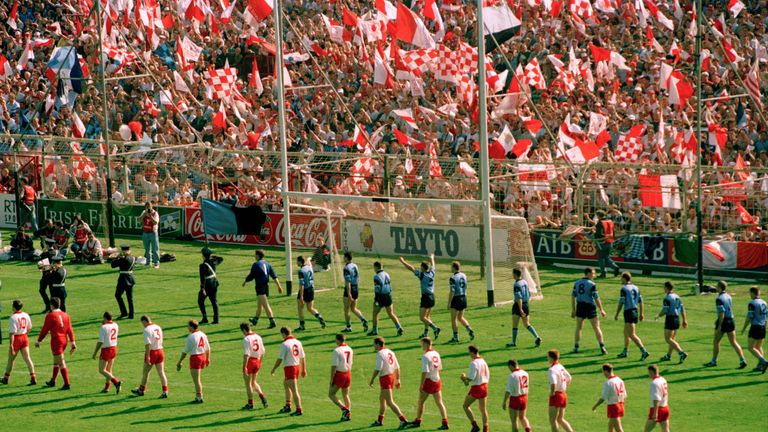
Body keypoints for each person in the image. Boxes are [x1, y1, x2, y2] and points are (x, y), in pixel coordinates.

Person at [35, 297, 76, 390]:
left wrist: (39, 340)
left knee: (61, 362)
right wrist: (73, 342)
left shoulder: (50, 316)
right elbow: (70, 329)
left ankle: (67, 383)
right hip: (64, 340)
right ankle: (53, 380)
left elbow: (45, 329)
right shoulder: (66, 315)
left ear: (51, 305)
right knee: (56, 361)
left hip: (56, 341)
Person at [704, 281, 747, 368]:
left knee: (716, 341)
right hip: (731, 320)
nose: (715, 287)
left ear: (719, 287)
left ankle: (714, 361)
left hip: (724, 321)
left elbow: (721, 312)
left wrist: (720, 325)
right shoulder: (728, 296)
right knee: (734, 342)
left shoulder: (719, 299)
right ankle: (742, 360)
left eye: (716, 286)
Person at [368, 337, 408, 428]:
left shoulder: (380, 354)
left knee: (389, 401)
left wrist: (372, 379)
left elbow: (378, 368)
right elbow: (397, 367)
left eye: (374, 344)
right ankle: (379, 420)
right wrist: (398, 379)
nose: (373, 346)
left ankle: (403, 419)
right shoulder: (390, 352)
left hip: (385, 378)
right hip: (391, 377)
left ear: (378, 344)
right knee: (382, 399)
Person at [410, 337, 449, 430]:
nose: (421, 346)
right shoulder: (436, 353)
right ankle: (445, 422)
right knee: (439, 402)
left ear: (427, 344)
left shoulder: (425, 356)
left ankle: (418, 420)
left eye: (422, 344)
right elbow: (440, 368)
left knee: (420, 401)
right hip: (437, 379)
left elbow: (424, 371)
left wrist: (421, 384)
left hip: (429, 381)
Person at [399, 254, 441, 339]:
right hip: (432, 297)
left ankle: (435, 328)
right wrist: (432, 258)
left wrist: (402, 261)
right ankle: (425, 333)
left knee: (422, 317)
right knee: (427, 317)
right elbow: (433, 265)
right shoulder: (432, 272)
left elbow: (411, 268)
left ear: (423, 268)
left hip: (426, 297)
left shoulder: (422, 275)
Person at [614, 272, 649, 360]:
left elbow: (621, 302)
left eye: (621, 278)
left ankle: (643, 351)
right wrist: (641, 313)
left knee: (632, 334)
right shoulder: (636, 288)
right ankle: (625, 351)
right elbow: (641, 301)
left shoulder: (624, 289)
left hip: (628, 311)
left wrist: (617, 314)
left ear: (625, 279)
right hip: (635, 311)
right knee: (626, 332)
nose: (620, 280)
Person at [243, 250, 283, 328]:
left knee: (265, 305)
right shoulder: (268, 264)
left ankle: (272, 321)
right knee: (260, 304)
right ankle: (255, 319)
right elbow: (274, 276)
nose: (254, 256)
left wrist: (245, 281)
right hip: (265, 286)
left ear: (258, 256)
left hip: (260, 286)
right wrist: (279, 286)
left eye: (255, 255)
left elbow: (251, 275)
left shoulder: (256, 264)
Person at [571, 267, 607, 354]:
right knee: (596, 327)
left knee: (578, 328)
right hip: (590, 307)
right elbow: (596, 298)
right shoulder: (592, 284)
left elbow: (573, 296)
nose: (594, 275)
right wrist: (601, 309)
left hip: (580, 306)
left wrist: (573, 309)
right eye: (593, 273)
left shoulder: (577, 283)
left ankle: (576, 347)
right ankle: (602, 346)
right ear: (588, 274)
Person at [271, 327, 306, 416]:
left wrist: (274, 368)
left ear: (283, 333)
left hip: (290, 368)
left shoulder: (285, 344)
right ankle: (288, 405)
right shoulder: (298, 342)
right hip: (296, 366)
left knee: (294, 390)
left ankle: (299, 409)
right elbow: (303, 357)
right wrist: (304, 369)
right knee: (286, 384)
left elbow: (280, 359)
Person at [131, 315, 169, 398]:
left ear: (144, 321)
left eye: (142, 323)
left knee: (145, 372)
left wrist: (148, 356)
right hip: (160, 350)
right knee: (161, 372)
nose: (143, 325)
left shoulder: (147, 330)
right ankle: (165, 391)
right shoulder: (158, 327)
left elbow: (148, 344)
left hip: (152, 352)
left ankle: (141, 390)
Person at [1, 300, 37, 385]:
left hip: (16, 339)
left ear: (14, 307)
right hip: (24, 337)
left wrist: (11, 345)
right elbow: (29, 327)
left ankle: (6, 378)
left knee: (11, 360)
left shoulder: (13, 317)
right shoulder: (26, 315)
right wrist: (24, 334)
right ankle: (33, 377)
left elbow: (12, 333)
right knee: (28, 358)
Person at [176, 320, 210, 404]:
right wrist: (208, 359)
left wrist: (180, 361)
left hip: (195, 357)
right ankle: (199, 396)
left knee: (196, 380)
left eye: (188, 326)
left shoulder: (191, 337)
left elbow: (185, 351)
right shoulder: (203, 334)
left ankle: (199, 397)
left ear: (191, 327)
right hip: (202, 356)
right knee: (197, 379)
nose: (187, 328)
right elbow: (208, 348)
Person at [507, 268, 542, 348]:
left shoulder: (517, 284)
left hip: (518, 305)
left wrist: (520, 308)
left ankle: (513, 342)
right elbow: (528, 294)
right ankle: (537, 336)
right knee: (527, 324)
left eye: (513, 274)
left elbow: (519, 297)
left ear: (515, 274)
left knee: (515, 325)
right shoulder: (525, 282)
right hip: (526, 304)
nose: (512, 275)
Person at [368, 261, 404, 337]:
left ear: (376, 267)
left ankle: (375, 330)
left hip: (381, 296)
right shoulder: (387, 274)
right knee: (391, 313)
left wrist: (377, 299)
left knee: (375, 313)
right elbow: (390, 286)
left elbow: (377, 288)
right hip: (388, 295)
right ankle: (398, 327)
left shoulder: (376, 276)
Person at [657, 282, 688, 363]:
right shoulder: (677, 296)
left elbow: (665, 310)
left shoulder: (667, 298)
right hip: (677, 319)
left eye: (664, 287)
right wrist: (684, 320)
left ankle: (681, 353)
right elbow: (682, 309)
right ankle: (668, 355)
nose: (663, 289)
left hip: (670, 319)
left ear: (667, 288)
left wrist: (658, 315)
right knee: (672, 339)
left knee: (668, 339)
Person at [460, 344, 489, 432]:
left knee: (465, 406)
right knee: (483, 409)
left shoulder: (474, 363)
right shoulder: (483, 361)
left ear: (472, 352)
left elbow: (471, 378)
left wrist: (464, 378)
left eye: (469, 352)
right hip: (485, 386)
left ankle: (474, 425)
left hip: (477, 387)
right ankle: (486, 429)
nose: (469, 354)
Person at [91, 311, 122, 394]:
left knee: (102, 370)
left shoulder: (103, 327)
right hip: (114, 348)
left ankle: (116, 382)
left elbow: (100, 341)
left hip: (106, 350)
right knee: (109, 369)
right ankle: (107, 388)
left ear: (104, 318)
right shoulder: (116, 325)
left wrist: (95, 353)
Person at [591, 363, 627, 432]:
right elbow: (625, 395)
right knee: (610, 426)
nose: (603, 374)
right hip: (621, 404)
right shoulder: (620, 380)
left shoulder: (608, 383)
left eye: (603, 372)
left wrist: (595, 406)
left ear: (605, 371)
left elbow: (603, 398)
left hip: (613, 406)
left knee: (618, 428)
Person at [240, 322, 268, 410]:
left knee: (248, 384)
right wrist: (260, 362)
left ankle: (250, 403)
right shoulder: (258, 337)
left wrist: (244, 366)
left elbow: (246, 354)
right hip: (257, 360)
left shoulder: (246, 339)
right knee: (253, 382)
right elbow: (263, 351)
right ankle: (262, 396)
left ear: (244, 330)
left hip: (250, 361)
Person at [741, 286, 768, 373]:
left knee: (750, 347)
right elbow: (766, 317)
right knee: (758, 347)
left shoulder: (752, 303)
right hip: (763, 327)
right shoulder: (764, 302)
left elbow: (749, 317)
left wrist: (744, 328)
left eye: (750, 293)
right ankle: (760, 366)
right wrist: (766, 327)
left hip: (755, 327)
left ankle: (763, 361)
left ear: (752, 293)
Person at [295, 256, 326, 331]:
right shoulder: (309, 267)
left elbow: (301, 284)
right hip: (311, 289)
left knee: (300, 308)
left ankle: (302, 326)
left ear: (300, 261)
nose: (296, 263)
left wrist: (301, 296)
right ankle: (319, 317)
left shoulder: (301, 271)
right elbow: (309, 260)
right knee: (310, 308)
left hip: (304, 290)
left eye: (297, 261)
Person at [547, 349, 574, 432]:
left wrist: (552, 393)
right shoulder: (560, 366)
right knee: (560, 419)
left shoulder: (552, 370)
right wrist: (564, 386)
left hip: (556, 395)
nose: (547, 359)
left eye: (548, 357)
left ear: (551, 358)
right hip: (563, 394)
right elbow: (569, 377)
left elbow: (553, 383)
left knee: (553, 420)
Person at [328, 333, 354, 422]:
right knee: (346, 395)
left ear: (338, 340)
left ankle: (344, 409)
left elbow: (334, 366)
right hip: (348, 373)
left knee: (331, 394)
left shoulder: (337, 350)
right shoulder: (350, 349)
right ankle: (348, 414)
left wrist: (331, 378)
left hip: (340, 374)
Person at [448, 261, 474, 344]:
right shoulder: (464, 275)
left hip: (456, 298)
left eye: (451, 267)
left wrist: (449, 302)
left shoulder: (453, 278)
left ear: (454, 268)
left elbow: (452, 291)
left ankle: (455, 337)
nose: (450, 268)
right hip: (464, 297)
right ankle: (469, 329)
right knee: (460, 317)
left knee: (454, 319)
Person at [341, 252, 368, 333]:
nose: (343, 258)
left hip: (350, 288)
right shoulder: (355, 265)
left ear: (346, 258)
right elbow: (358, 277)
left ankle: (348, 327)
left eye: (344, 257)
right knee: (353, 308)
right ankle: (363, 319)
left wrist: (349, 294)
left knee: (346, 309)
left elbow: (347, 282)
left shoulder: (346, 268)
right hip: (356, 287)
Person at [502, 359, 530, 432]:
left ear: (511, 366)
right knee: (523, 417)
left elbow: (508, 391)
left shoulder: (512, 375)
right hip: (524, 397)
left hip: (515, 398)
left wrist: (504, 401)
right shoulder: (525, 373)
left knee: (514, 421)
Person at [199, 247, 223, 324]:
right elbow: (221, 259)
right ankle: (216, 319)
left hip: (207, 284)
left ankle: (205, 317)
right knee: (214, 301)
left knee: (200, 300)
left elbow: (202, 278)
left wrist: (202, 288)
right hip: (214, 283)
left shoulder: (202, 265)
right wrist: (213, 256)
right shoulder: (214, 261)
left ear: (203, 255)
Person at [112, 245, 137, 319]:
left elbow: (113, 265)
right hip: (131, 278)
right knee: (130, 298)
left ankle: (124, 312)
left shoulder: (124, 259)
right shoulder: (133, 257)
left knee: (118, 295)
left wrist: (117, 257)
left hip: (123, 279)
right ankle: (131, 314)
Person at [643, 364, 670, 432]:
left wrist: (655, 413)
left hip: (658, 409)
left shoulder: (654, 383)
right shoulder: (663, 379)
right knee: (665, 430)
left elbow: (656, 399)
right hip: (665, 407)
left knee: (646, 430)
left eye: (649, 373)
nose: (648, 375)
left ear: (651, 372)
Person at [594, 210, 620, 278]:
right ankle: (615, 267)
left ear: (599, 216)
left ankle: (603, 272)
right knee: (606, 257)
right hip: (610, 241)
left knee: (601, 258)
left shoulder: (600, 223)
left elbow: (598, 234)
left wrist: (593, 233)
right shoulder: (610, 221)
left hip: (602, 242)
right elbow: (613, 231)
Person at [140, 202, 160, 268]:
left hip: (153, 233)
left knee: (155, 249)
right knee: (147, 249)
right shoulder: (144, 212)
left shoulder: (155, 213)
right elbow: (139, 219)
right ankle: (148, 262)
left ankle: (156, 263)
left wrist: (150, 216)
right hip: (145, 233)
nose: (148, 208)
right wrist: (144, 214)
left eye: (149, 207)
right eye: (147, 207)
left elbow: (155, 222)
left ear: (152, 206)